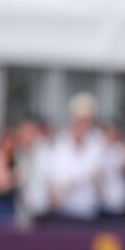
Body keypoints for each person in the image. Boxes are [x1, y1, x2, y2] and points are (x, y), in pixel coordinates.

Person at [46, 92, 105, 222]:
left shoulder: (97, 141)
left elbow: (95, 172)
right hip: (64, 211)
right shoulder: (61, 142)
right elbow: (58, 177)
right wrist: (81, 175)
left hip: (89, 211)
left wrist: (71, 180)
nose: (84, 124)